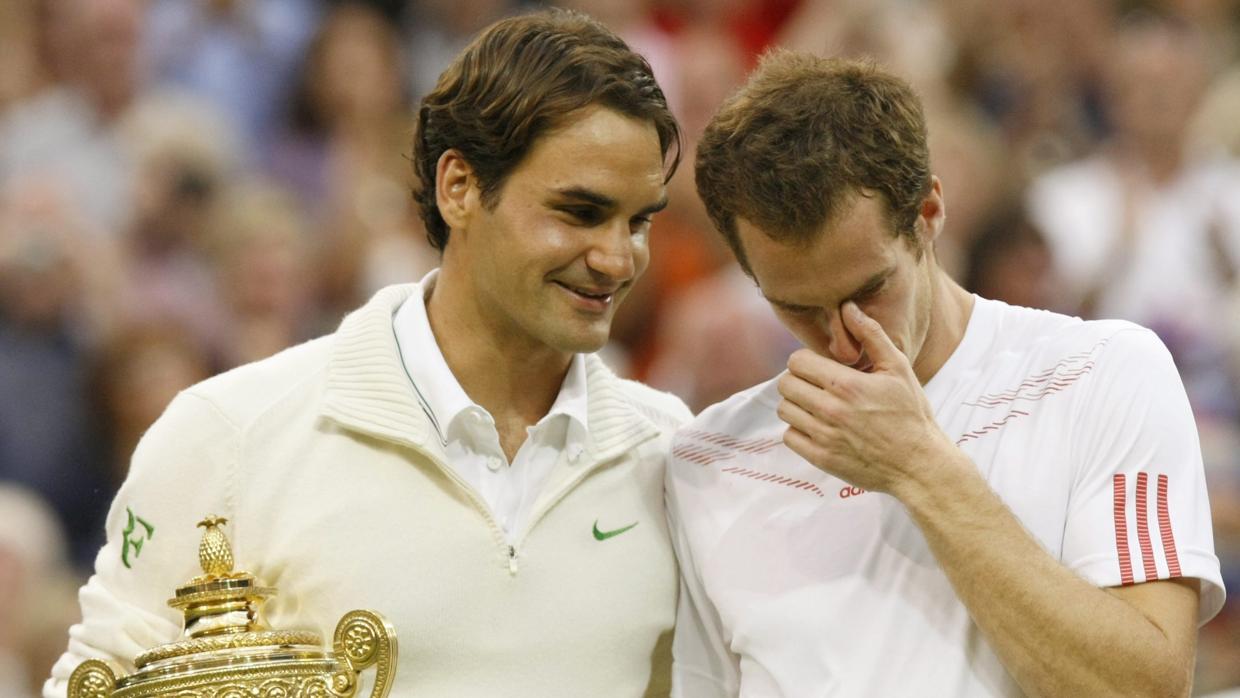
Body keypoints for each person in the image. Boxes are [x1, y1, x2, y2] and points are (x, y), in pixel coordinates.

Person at [45, 10, 689, 697]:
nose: (618, 259)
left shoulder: (674, 454)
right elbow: (98, 683)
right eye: (580, 212)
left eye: (640, 220)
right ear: (460, 187)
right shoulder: (227, 434)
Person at [667, 51, 1225, 697]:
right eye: (795, 306)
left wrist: (918, 466)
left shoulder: (1103, 372)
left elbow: (1147, 687)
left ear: (929, 213)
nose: (841, 336)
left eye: (869, 290)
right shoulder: (707, 460)